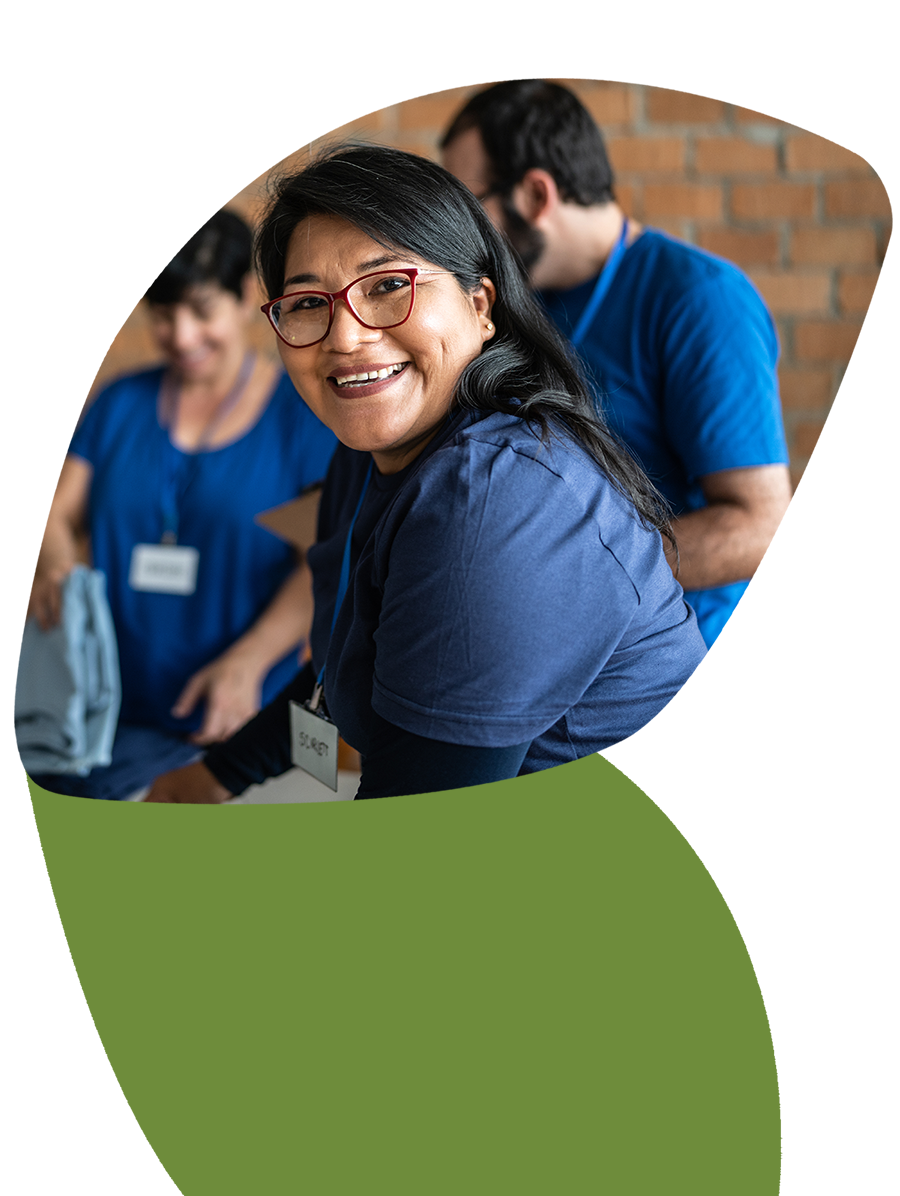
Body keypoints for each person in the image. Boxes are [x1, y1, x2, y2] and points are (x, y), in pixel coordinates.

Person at [144, 144, 707, 805]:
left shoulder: (499, 497)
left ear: (481, 306)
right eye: (305, 303)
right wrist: (221, 773)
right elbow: (345, 673)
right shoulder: (365, 456)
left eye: (388, 287)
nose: (346, 337)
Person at [440, 79, 793, 648]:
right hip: (558, 655)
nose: (460, 240)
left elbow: (762, 527)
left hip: (688, 668)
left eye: (470, 211)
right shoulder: (518, 300)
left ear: (534, 195)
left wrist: (565, 578)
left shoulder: (700, 298)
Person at [24, 209, 338, 799]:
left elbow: (322, 556)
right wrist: (57, 562)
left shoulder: (300, 416)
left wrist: (248, 661)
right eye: (164, 315)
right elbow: (57, 511)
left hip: (230, 715)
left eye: (202, 310)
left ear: (245, 295)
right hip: (104, 702)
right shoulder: (121, 402)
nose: (182, 335)